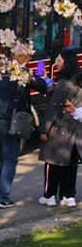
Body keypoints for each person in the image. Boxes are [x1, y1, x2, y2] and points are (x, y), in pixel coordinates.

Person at [0, 52, 50, 208]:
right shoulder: (22, 72)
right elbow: (43, 87)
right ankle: (3, 197)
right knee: (9, 158)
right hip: (9, 119)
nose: (30, 60)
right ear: (24, 57)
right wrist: (42, 77)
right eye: (29, 57)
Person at [39, 48, 82, 207]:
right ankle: (68, 196)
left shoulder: (63, 83)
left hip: (60, 127)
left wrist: (44, 130)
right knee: (71, 163)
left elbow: (53, 109)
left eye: (59, 60)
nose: (56, 63)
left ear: (66, 63)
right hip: (76, 128)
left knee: (52, 163)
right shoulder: (79, 80)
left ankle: (49, 195)